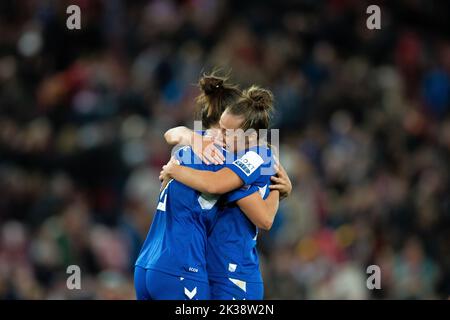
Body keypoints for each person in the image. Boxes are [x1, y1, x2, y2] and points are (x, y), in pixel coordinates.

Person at [134, 74, 289, 300]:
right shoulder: (218, 156)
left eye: (228, 132)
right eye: (222, 130)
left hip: (229, 275)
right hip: (192, 269)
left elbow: (263, 217)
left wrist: (174, 168)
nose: (222, 139)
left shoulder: (250, 157)